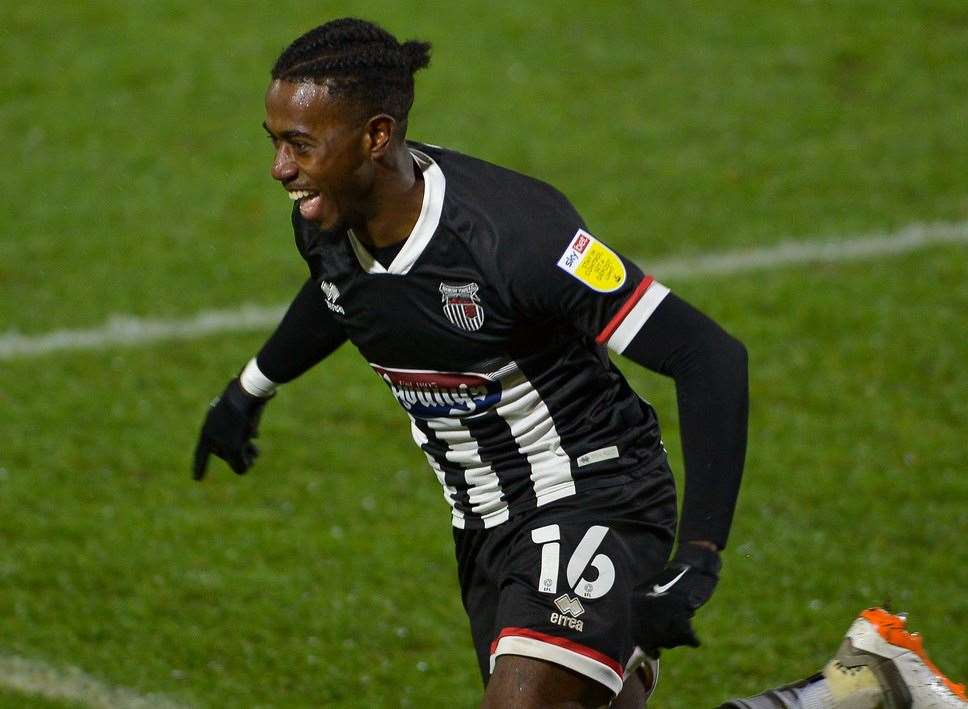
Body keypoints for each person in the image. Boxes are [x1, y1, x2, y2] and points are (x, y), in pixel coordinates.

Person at [191, 18, 964, 708]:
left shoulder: (514, 237)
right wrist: (250, 388)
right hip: (484, 524)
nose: (280, 168)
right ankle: (860, 687)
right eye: (274, 141)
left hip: (591, 491)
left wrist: (699, 553)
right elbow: (342, 296)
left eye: (300, 145)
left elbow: (708, 355)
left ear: (375, 135)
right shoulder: (325, 220)